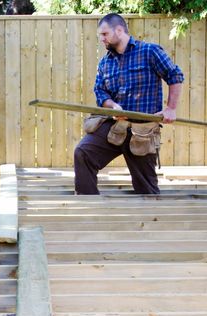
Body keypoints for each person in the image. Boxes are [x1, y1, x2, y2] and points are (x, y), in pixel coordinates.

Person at [74, 13, 184, 195]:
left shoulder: (149, 52)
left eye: (104, 34)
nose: (102, 39)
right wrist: (113, 106)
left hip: (143, 131)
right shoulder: (105, 63)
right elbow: (100, 92)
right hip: (114, 127)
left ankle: (152, 220)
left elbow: (175, 75)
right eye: (100, 35)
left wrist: (171, 108)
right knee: (83, 153)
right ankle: (90, 210)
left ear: (119, 30)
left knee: (146, 191)